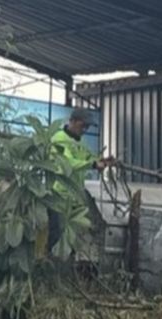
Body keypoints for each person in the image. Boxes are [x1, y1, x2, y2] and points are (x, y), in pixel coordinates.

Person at [40, 107, 115, 257]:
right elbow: (67, 163)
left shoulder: (81, 142)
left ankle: (66, 270)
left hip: (74, 198)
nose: (85, 129)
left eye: (87, 126)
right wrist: (93, 165)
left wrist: (100, 161)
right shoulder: (59, 139)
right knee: (57, 234)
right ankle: (52, 268)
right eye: (83, 125)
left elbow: (86, 158)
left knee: (71, 238)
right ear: (72, 121)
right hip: (58, 196)